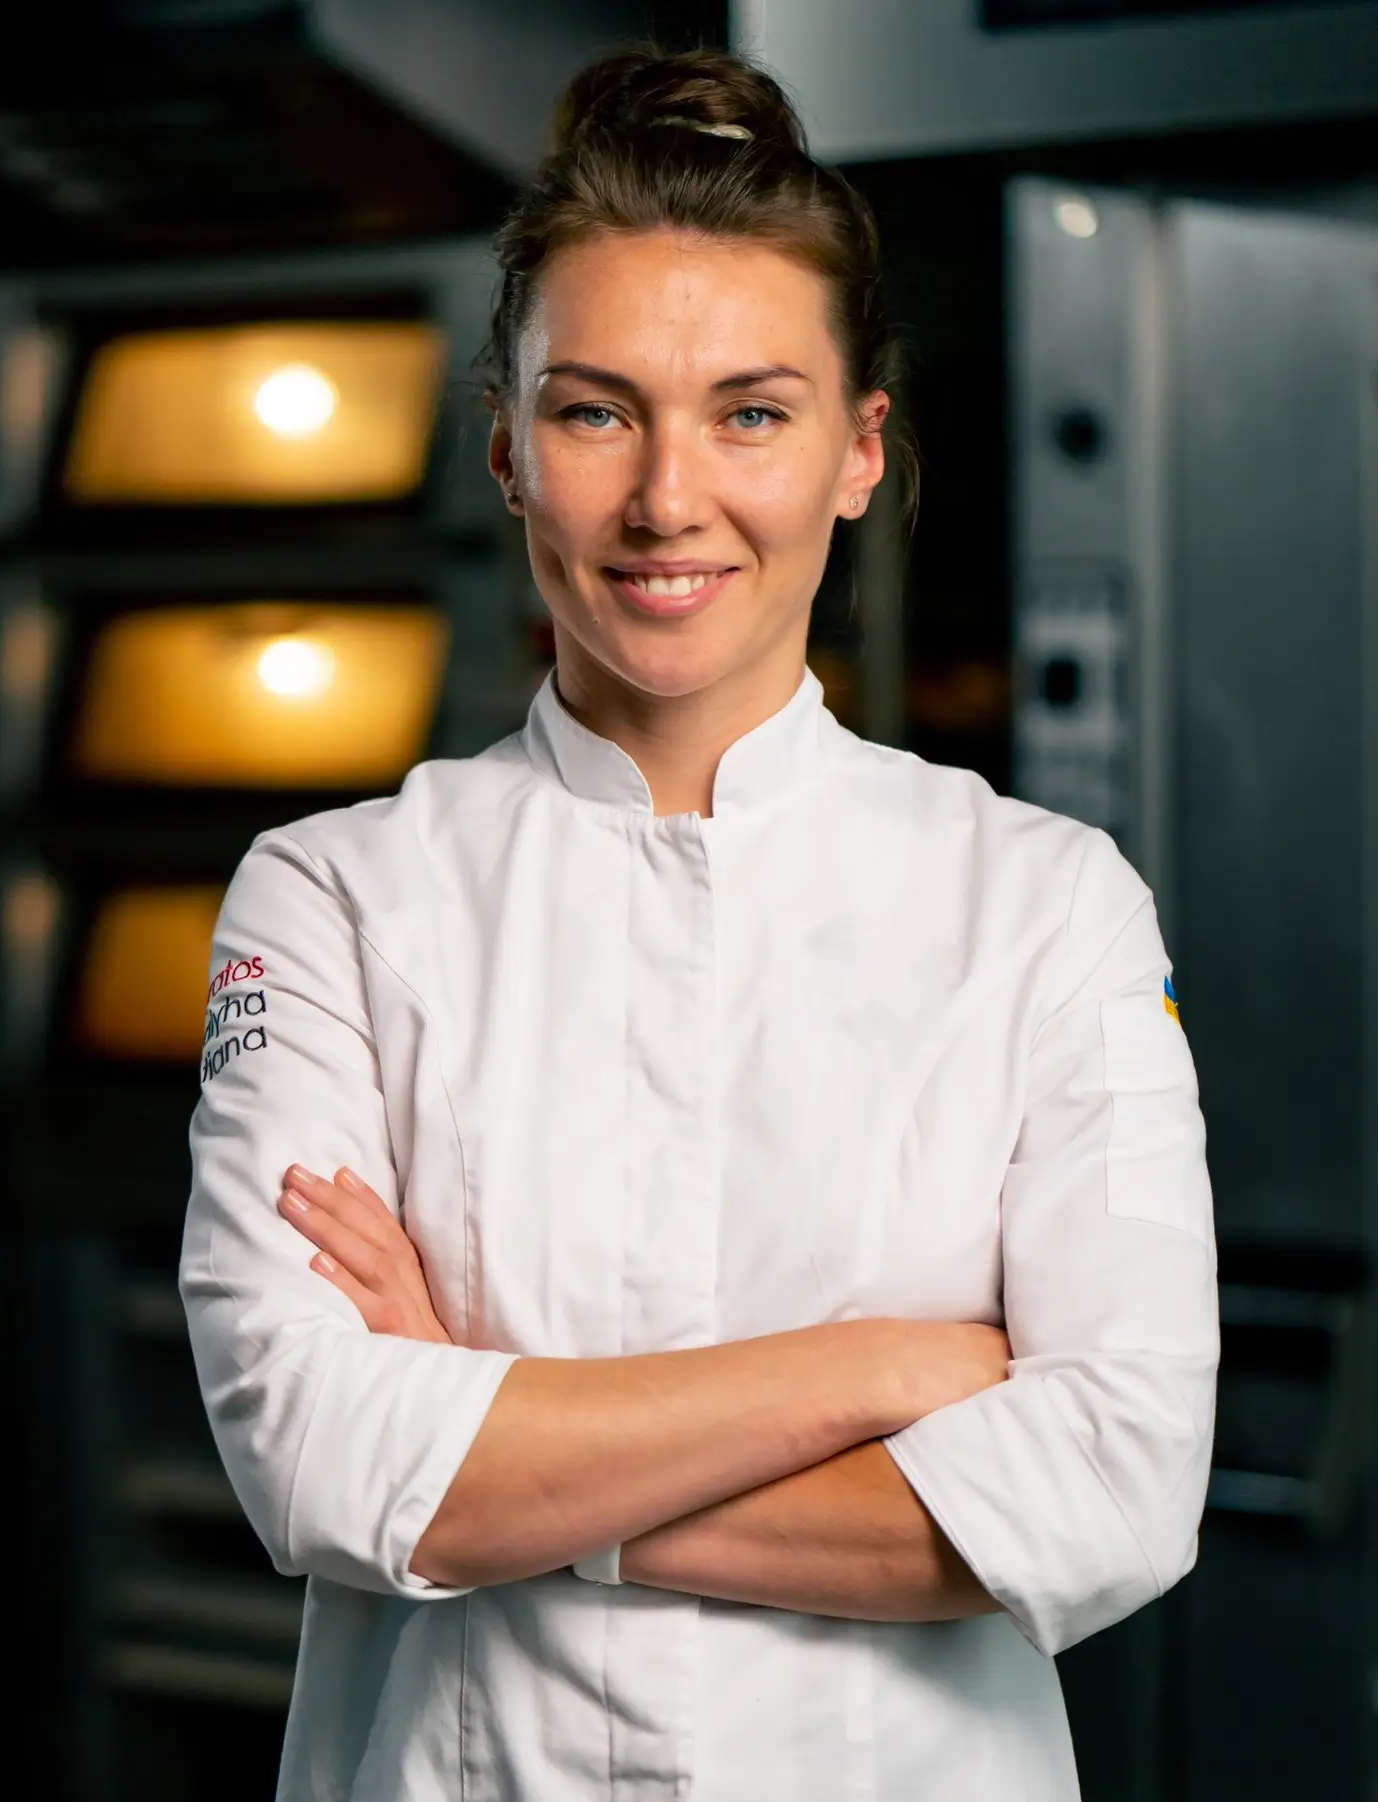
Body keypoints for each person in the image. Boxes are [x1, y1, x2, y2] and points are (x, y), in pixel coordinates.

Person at [179, 43, 1217, 1801]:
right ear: (507, 450)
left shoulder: (1046, 907)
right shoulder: (332, 893)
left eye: (750, 411)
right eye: (594, 410)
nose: (669, 500)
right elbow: (327, 1465)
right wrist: (874, 1372)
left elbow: (1111, 1488)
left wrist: (505, 1443)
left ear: (855, 452)